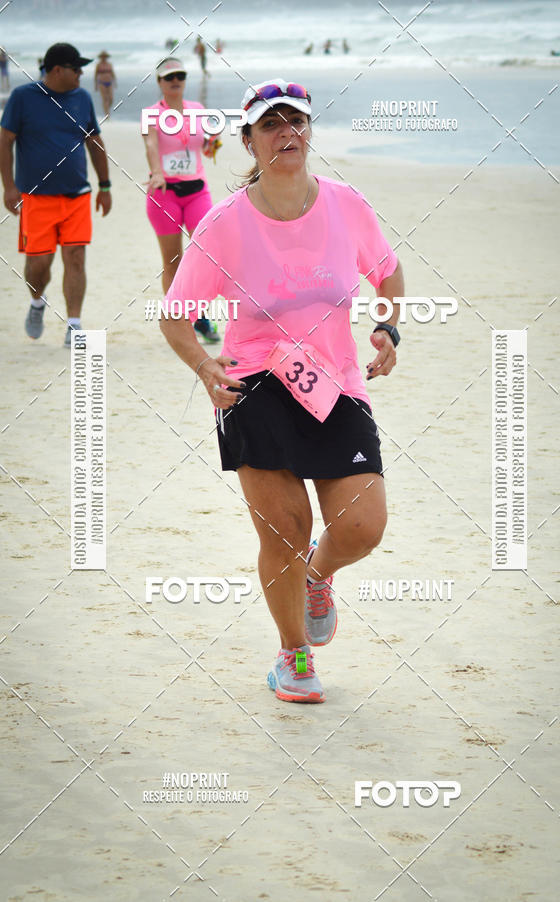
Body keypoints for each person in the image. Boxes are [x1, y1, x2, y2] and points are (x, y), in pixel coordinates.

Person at [159, 78, 404, 703]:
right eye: (271, 125)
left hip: (336, 383)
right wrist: (204, 367)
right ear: (249, 141)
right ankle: (293, 658)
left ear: (310, 132)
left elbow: (389, 272)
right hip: (255, 385)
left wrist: (388, 328)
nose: (287, 133)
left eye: (296, 122)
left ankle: (319, 576)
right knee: (285, 531)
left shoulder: (347, 205)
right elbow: (175, 314)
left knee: (363, 527)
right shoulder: (225, 224)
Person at [0, 42, 112, 346]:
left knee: (75, 258)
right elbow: (5, 141)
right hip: (36, 199)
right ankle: (37, 302)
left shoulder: (82, 98)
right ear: (57, 69)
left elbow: (94, 142)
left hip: (77, 196)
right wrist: (9, 187)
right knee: (39, 265)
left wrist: (105, 185)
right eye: (76, 68)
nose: (81, 74)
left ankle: (74, 325)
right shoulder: (23, 98)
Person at [141, 57, 221, 342]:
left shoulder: (198, 110)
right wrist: (157, 172)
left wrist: (213, 144)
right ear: (160, 82)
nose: (175, 80)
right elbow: (151, 144)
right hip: (165, 193)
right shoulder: (151, 113)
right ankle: (187, 321)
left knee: (204, 254)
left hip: (197, 190)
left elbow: (207, 148)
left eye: (180, 75)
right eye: (169, 76)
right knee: (173, 260)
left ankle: (198, 313)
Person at [94, 50, 116, 118]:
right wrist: (96, 85)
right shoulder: (98, 65)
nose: (104, 58)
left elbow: (113, 73)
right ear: (101, 57)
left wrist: (115, 82)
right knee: (105, 99)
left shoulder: (109, 64)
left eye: (105, 57)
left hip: (109, 82)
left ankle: (106, 110)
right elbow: (95, 75)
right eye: (102, 57)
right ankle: (107, 115)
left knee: (111, 99)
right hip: (101, 83)